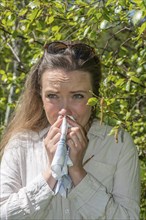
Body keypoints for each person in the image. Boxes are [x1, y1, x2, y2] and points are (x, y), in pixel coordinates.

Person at [0, 41, 140, 220]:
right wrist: (52, 173)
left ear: (95, 98)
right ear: (40, 96)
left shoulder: (117, 143)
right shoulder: (21, 143)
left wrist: (77, 172)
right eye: (53, 96)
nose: (64, 110)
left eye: (77, 96)